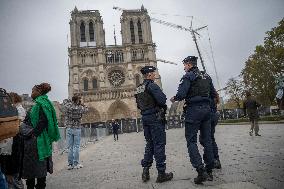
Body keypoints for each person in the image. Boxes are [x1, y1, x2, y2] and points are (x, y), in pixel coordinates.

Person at [170, 56, 216, 184]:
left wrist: (174, 98)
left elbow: (181, 94)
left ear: (189, 65)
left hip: (194, 111)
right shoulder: (207, 76)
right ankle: (210, 170)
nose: (184, 68)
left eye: (185, 65)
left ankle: (201, 171)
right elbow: (213, 94)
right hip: (207, 111)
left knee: (191, 141)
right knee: (207, 140)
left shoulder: (188, 76)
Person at [135, 66, 173, 183]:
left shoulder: (139, 88)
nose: (154, 75)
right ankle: (161, 173)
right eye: (153, 73)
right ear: (150, 75)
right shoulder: (152, 85)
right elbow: (162, 100)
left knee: (149, 144)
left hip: (145, 117)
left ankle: (145, 171)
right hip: (155, 117)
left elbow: (138, 105)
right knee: (159, 144)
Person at [19, 82, 60, 189]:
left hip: (37, 141)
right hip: (42, 139)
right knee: (40, 168)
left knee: (32, 169)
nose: (31, 93)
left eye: (33, 91)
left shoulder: (40, 104)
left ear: (39, 92)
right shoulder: (44, 103)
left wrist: (33, 134)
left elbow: (43, 121)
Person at [1, 92, 26, 189]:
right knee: (14, 173)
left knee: (11, 174)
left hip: (12, 142)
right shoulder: (19, 109)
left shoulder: (16, 110)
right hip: (15, 142)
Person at [62, 95, 88, 170]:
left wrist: (72, 101)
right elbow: (86, 109)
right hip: (77, 129)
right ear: (78, 101)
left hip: (69, 128)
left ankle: (70, 164)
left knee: (70, 147)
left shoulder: (68, 107)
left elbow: (65, 101)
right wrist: (82, 104)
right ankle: (76, 163)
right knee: (76, 146)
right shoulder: (80, 108)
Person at [199, 90, 221, 169]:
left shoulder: (207, 94)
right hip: (214, 116)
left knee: (205, 140)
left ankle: (211, 160)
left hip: (209, 117)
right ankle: (216, 160)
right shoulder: (213, 93)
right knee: (210, 138)